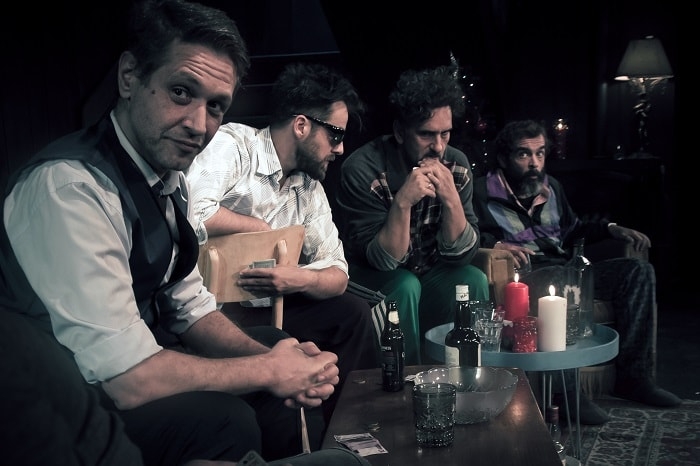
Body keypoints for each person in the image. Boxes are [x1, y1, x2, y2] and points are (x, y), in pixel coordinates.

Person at [0, 1, 370, 465]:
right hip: (64, 406)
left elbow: (189, 305)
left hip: (135, 364)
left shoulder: (168, 179)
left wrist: (276, 357)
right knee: (224, 418)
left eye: (215, 106)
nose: (199, 125)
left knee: (276, 345)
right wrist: (266, 369)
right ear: (129, 77)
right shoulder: (70, 188)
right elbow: (127, 376)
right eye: (181, 92)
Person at [185, 61, 379, 423]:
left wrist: (299, 278)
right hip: (209, 312)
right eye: (335, 135)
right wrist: (258, 229)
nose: (340, 149)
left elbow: (338, 271)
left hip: (273, 304)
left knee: (353, 313)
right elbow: (192, 212)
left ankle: (353, 427)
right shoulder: (234, 146)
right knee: (275, 342)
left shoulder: (309, 186)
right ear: (302, 126)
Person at [473, 119, 681, 424]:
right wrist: (496, 244)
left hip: (566, 268)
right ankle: (567, 395)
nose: (534, 163)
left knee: (638, 271)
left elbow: (573, 230)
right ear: (503, 158)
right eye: (524, 154)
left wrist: (611, 229)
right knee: (560, 279)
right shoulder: (481, 192)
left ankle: (635, 378)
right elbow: (468, 235)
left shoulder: (551, 187)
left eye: (540, 153)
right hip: (529, 276)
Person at [335, 65, 489, 365]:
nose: (438, 146)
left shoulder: (456, 164)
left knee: (472, 279)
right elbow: (384, 261)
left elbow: (462, 255)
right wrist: (403, 202)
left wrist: (451, 199)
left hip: (426, 272)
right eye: (426, 134)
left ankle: (467, 376)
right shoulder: (363, 169)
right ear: (399, 132)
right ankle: (406, 384)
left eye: (445, 133)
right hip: (367, 276)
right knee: (405, 285)